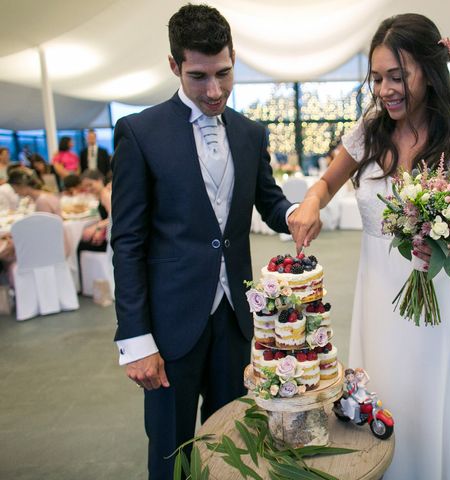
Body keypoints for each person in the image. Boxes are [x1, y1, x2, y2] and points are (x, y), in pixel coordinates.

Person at [292, 14, 450, 478]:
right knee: (377, 392)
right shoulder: (369, 131)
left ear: (429, 70)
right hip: (376, 293)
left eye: (397, 76)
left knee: (422, 396)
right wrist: (310, 204)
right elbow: (323, 184)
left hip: (431, 291)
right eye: (377, 78)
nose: (384, 89)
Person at [110, 5, 298, 479]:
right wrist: (135, 339)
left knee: (233, 442)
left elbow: (269, 201)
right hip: (170, 327)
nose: (214, 91)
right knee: (171, 451)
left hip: (235, 321)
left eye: (224, 73)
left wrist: (295, 213)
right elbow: (127, 242)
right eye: (198, 76)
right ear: (174, 66)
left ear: (234, 58)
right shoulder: (139, 132)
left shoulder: (251, 133)